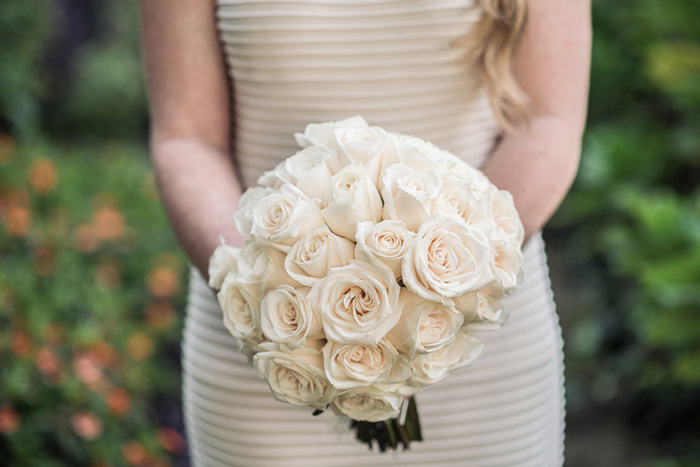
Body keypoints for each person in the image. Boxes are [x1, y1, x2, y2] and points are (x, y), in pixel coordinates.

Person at [140, 0, 591, 465]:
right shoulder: (271, 321)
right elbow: (188, 136)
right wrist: (265, 293)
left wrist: (439, 295)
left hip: (477, 351)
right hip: (273, 352)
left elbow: (547, 122)